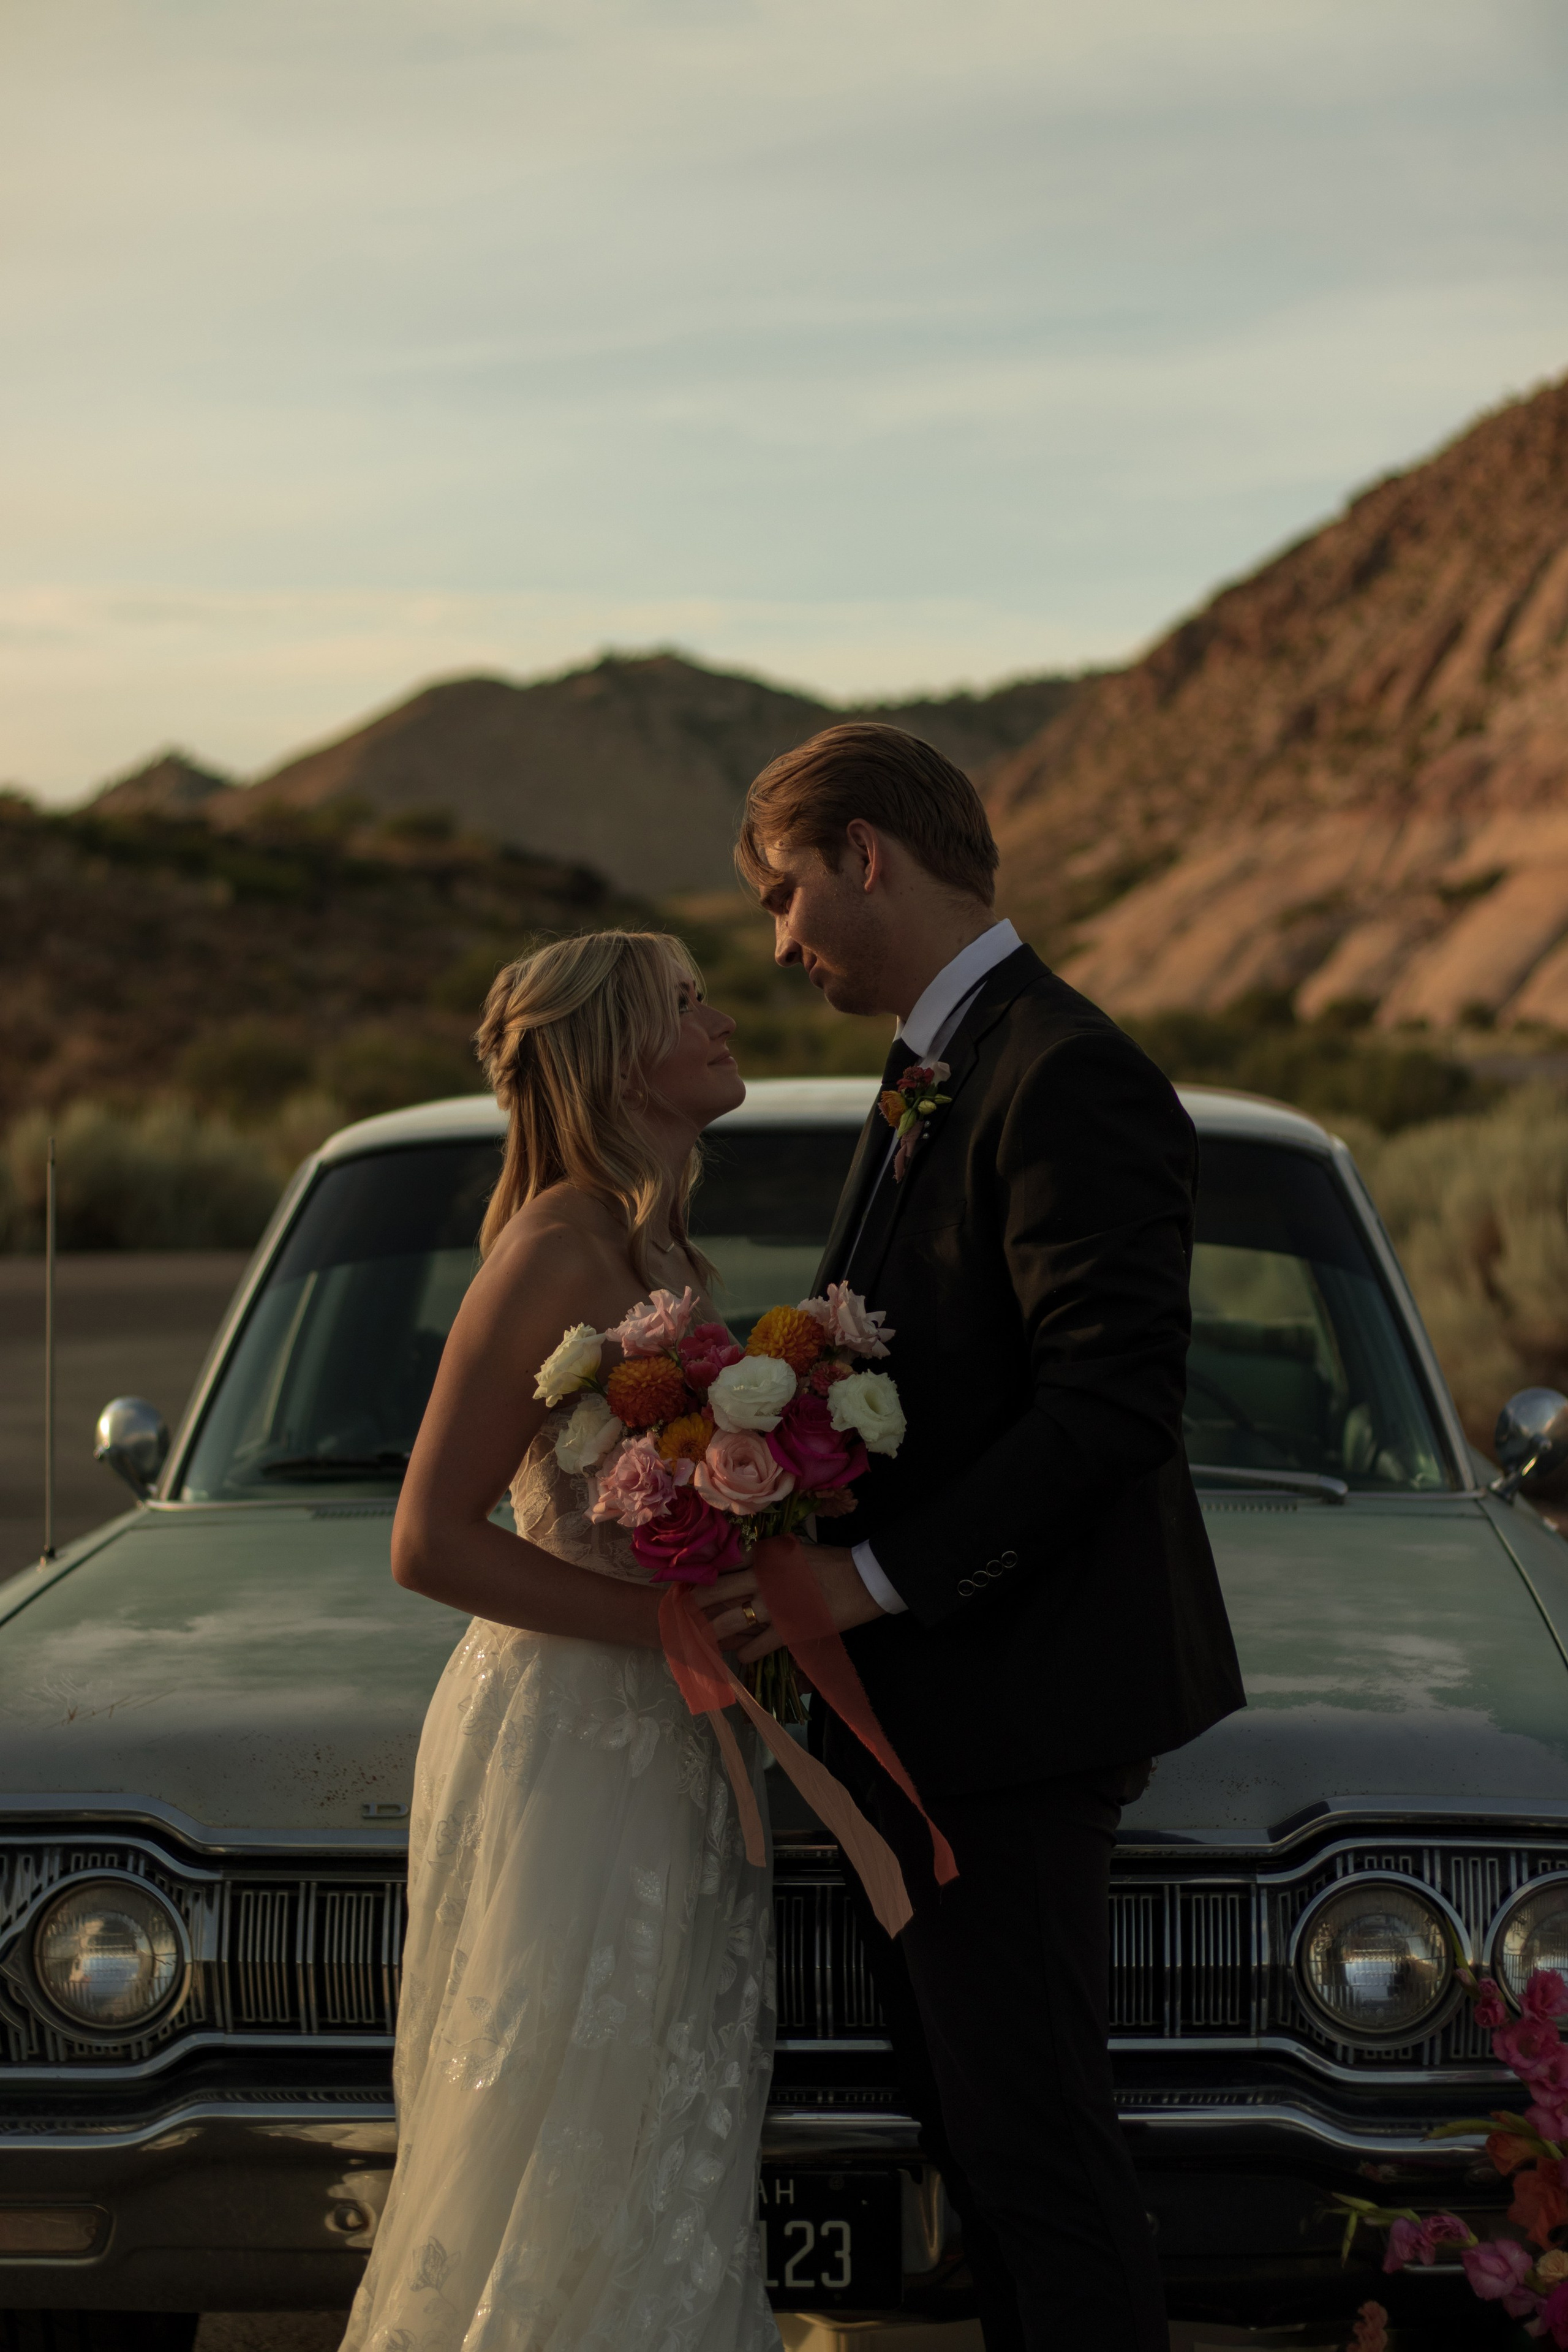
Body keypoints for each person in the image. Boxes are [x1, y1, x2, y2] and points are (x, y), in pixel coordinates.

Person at [712, 724, 1246, 2352]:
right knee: (983, 2155)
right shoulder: (939, 1063)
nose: (782, 939)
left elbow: (1112, 1408)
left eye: (786, 893)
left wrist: (868, 1582)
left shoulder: (1064, 1069)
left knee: (1041, 2166)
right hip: (932, 1721)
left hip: (1015, 1717)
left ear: (868, 853)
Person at [341, 930, 784, 2352]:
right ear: (614, 1058)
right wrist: (659, 1621)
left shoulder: (645, 1242)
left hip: (661, 1735)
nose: (720, 1020)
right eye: (686, 1005)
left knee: (660, 2124)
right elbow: (430, 1539)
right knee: (556, 2124)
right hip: (570, 1748)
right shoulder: (552, 1250)